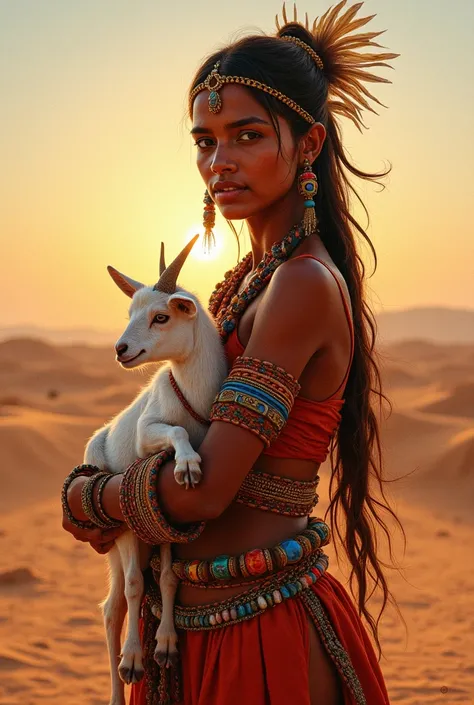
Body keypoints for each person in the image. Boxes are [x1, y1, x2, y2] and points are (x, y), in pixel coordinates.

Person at [62, 3, 407, 704]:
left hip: (259, 641)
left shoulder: (302, 284)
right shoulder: (244, 284)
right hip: (183, 627)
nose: (218, 162)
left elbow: (209, 489)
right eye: (204, 140)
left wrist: (87, 495)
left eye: (246, 136)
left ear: (307, 145)